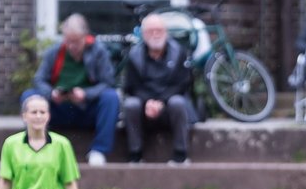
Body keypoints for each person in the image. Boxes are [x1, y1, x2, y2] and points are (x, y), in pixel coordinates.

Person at [25, 14, 119, 166]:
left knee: (111, 97)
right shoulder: (54, 52)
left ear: (86, 38)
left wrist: (86, 94)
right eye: (68, 41)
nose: (71, 46)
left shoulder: (98, 52)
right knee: (29, 96)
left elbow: (108, 83)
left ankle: (99, 150)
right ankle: (37, 145)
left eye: (76, 42)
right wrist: (51, 93)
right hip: (58, 109)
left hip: (87, 110)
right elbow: (39, 79)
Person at [122, 13, 196, 164]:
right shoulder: (134, 55)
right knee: (130, 105)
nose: (155, 34)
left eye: (159, 30)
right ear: (143, 34)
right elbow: (131, 86)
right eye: (151, 31)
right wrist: (148, 102)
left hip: (169, 107)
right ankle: (135, 155)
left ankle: (180, 155)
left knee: (178, 102)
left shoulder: (179, 53)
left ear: (166, 32)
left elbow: (183, 84)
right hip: (144, 108)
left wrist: (160, 101)